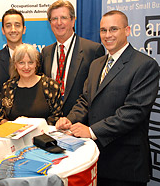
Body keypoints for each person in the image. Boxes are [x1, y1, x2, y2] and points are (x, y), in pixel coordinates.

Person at [56, 10, 159, 186]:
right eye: (103, 30)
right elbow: (85, 100)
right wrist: (69, 120)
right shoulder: (97, 64)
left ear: (127, 31)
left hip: (125, 165)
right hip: (95, 159)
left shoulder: (145, 65)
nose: (107, 35)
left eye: (113, 29)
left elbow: (133, 112)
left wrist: (91, 131)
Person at [40, 0, 105, 120]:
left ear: (73, 20)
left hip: (81, 124)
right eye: (54, 19)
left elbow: (95, 93)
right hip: (52, 124)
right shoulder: (46, 52)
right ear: (50, 23)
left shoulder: (93, 50)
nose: (59, 23)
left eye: (63, 18)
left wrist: (72, 119)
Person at [0, 43, 62, 125]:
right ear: (15, 65)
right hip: (14, 136)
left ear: (36, 64)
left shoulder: (50, 86)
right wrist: (14, 125)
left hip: (43, 136)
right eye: (21, 63)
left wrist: (31, 125)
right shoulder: (7, 87)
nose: (26, 67)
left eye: (30, 62)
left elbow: (57, 117)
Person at [0, 9, 26, 124]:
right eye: (8, 26)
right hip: (5, 127)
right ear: (3, 30)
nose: (13, 29)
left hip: (33, 124)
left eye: (17, 25)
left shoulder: (36, 58)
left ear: (24, 29)